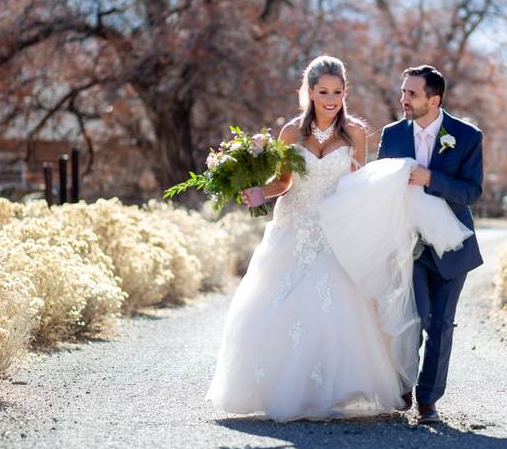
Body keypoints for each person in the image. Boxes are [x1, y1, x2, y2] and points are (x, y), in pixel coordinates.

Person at [206, 56, 471, 422]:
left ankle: (332, 390)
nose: (330, 98)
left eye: (337, 91)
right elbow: (283, 182)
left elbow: (359, 185)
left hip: (335, 230)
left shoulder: (356, 134)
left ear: (345, 92)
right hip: (294, 227)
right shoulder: (290, 133)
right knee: (283, 306)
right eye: (322, 91)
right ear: (309, 92)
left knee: (337, 309)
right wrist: (258, 193)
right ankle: (285, 390)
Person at [377, 65, 483, 424]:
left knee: (441, 322)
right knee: (413, 317)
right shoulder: (391, 135)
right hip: (408, 243)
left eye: (411, 94)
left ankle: (428, 399)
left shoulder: (467, 137)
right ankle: (403, 383)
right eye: (403, 91)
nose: (403, 99)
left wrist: (431, 179)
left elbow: (472, 191)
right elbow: (379, 188)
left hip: (452, 243)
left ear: (433, 100)